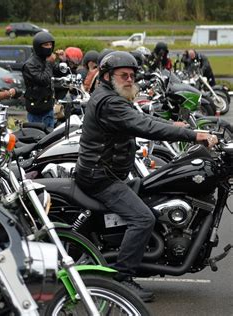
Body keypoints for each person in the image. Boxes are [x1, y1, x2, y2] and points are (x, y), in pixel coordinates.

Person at [74, 51, 217, 302]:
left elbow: (139, 118)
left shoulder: (113, 96)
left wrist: (175, 127)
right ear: (107, 76)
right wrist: (194, 135)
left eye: (132, 75)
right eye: (123, 75)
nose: (129, 79)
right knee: (142, 218)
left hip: (107, 173)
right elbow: (145, 127)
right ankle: (123, 279)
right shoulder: (109, 102)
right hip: (100, 178)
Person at [22, 31, 58, 128]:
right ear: (38, 46)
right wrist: (49, 63)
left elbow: (58, 73)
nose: (49, 47)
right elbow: (43, 80)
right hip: (36, 110)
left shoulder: (46, 60)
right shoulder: (30, 64)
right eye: (46, 45)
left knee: (51, 138)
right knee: (38, 137)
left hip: (48, 107)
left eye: (51, 44)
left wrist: (62, 60)